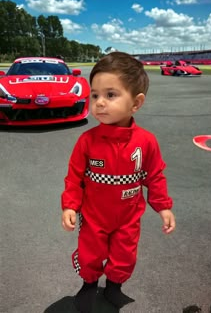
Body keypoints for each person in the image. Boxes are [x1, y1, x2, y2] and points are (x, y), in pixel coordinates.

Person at [61, 51, 176, 313]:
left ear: (136, 103)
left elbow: (155, 175)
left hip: (128, 216)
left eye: (110, 95)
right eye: (95, 95)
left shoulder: (146, 142)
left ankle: (115, 286)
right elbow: (74, 177)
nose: (100, 102)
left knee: (124, 255)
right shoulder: (87, 141)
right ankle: (89, 284)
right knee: (90, 254)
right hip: (94, 216)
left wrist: (163, 207)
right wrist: (70, 206)